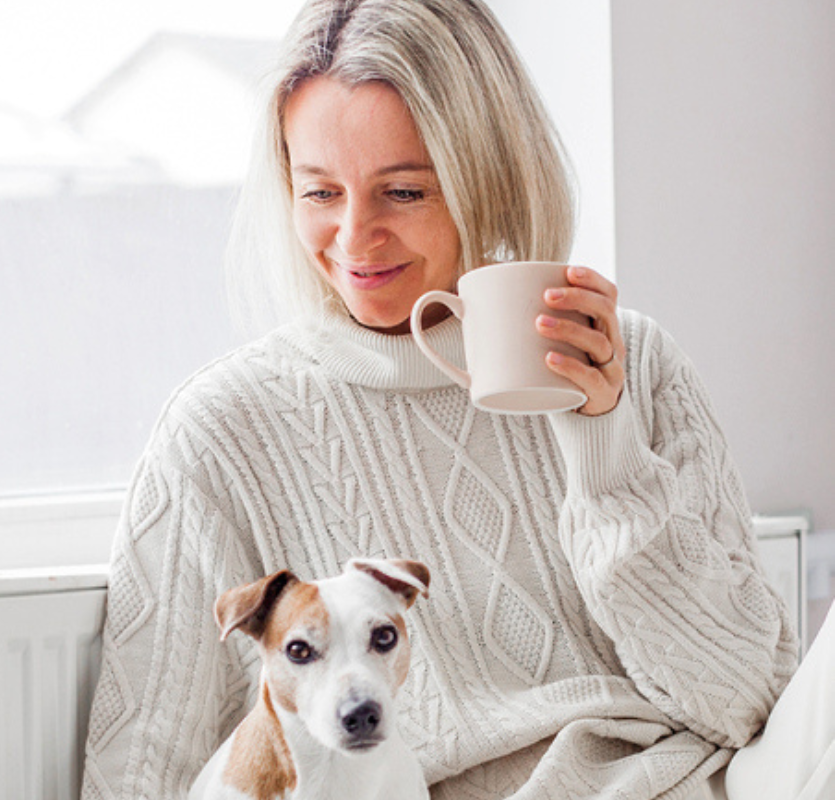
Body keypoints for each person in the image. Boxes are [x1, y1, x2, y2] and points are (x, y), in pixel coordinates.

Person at [80, 1, 831, 798]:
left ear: (489, 174)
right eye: (320, 193)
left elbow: (753, 704)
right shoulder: (223, 429)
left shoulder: (633, 363)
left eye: (402, 192)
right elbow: (141, 773)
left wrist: (604, 448)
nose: (355, 237)